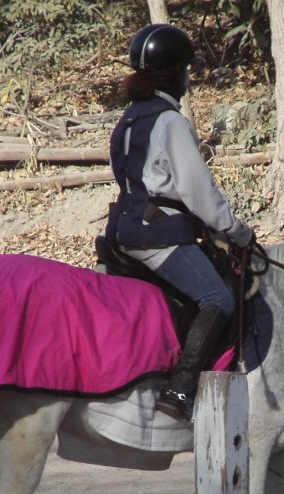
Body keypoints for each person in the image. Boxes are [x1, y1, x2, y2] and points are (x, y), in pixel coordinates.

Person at [105, 23, 255, 420]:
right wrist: (237, 232)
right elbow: (198, 192)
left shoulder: (131, 117)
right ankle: (180, 391)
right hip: (156, 235)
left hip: (122, 227)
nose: (189, 77)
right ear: (173, 73)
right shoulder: (170, 121)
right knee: (218, 299)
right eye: (186, 69)